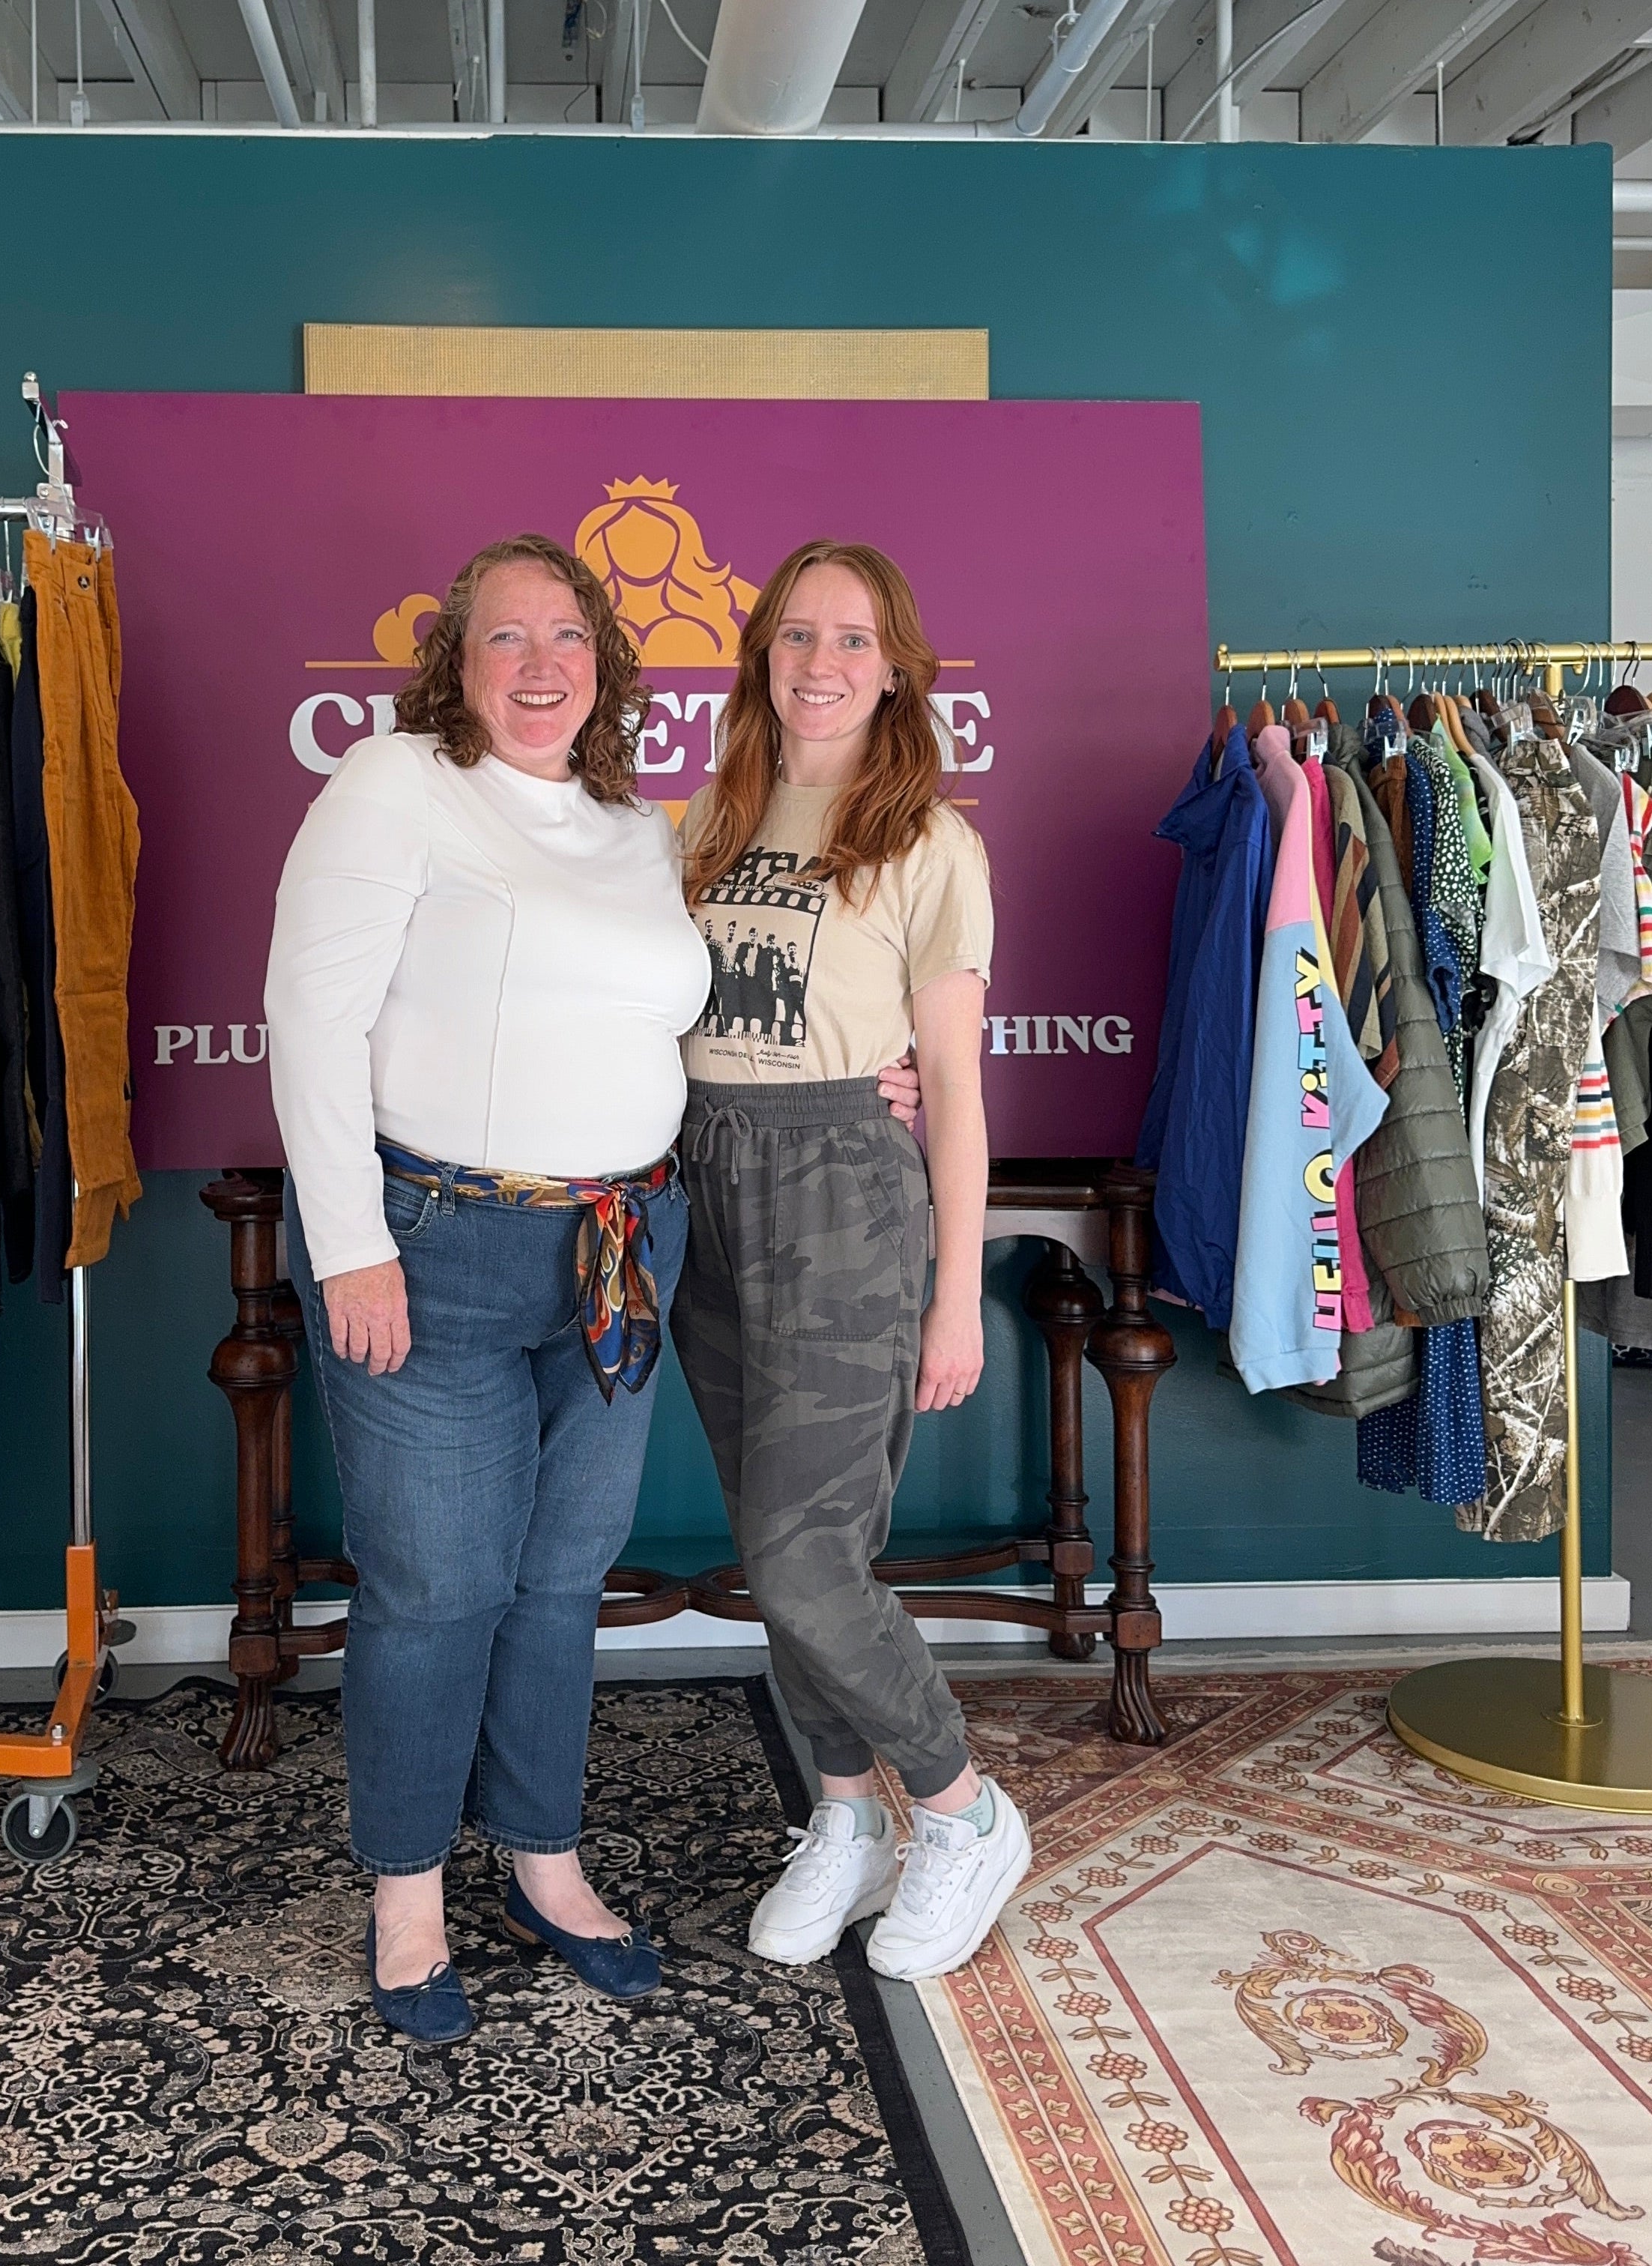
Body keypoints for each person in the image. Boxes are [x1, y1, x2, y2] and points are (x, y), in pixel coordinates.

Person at [266, 532, 924, 2042]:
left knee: (564, 1581)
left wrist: (860, 1076)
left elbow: (707, 1020)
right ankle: (410, 1893)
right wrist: (351, 1240)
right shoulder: (395, 787)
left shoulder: (643, 831)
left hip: (623, 1251)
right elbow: (309, 1015)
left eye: (569, 639)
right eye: (508, 639)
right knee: (438, 1586)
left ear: (607, 669)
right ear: (458, 661)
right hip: (431, 1246)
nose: (541, 666)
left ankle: (545, 1863)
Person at [673, 539, 1029, 1983]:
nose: (821, 663)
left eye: (853, 640)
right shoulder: (708, 812)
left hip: (847, 1205)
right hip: (714, 1192)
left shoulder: (929, 842)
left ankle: (959, 1810)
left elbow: (951, 1086)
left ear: (896, 669)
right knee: (777, 1548)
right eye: (797, 635)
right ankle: (844, 1818)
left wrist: (958, 1294)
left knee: (803, 1555)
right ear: (763, 653)